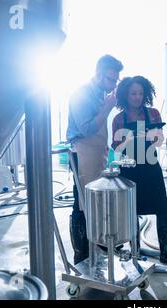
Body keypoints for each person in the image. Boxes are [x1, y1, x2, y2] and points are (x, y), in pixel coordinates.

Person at [112, 76, 167, 266]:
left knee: (162, 209)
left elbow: (159, 142)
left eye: (140, 93)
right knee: (132, 212)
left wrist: (154, 137)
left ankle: (166, 254)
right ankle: (135, 253)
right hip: (129, 169)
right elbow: (117, 149)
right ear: (125, 95)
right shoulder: (119, 119)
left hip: (151, 168)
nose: (137, 97)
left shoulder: (153, 114)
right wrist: (131, 138)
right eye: (133, 93)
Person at [66, 55, 123, 264]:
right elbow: (87, 128)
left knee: (95, 200)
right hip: (82, 152)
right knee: (81, 204)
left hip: (97, 152)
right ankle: (82, 254)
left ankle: (97, 247)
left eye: (116, 80)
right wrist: (108, 107)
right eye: (111, 79)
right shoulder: (82, 94)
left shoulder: (101, 94)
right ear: (99, 75)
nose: (114, 84)